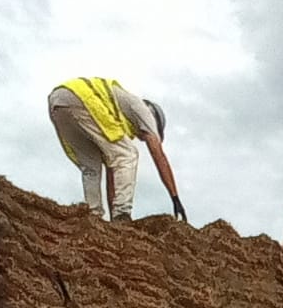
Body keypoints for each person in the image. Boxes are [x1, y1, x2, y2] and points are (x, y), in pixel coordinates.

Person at [48, 77, 187, 223]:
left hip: (58, 102)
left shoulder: (120, 113)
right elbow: (159, 156)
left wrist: (113, 225)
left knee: (91, 167)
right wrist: (175, 197)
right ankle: (123, 213)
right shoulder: (145, 111)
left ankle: (92, 217)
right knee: (128, 154)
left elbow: (112, 174)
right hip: (82, 98)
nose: (142, 139)